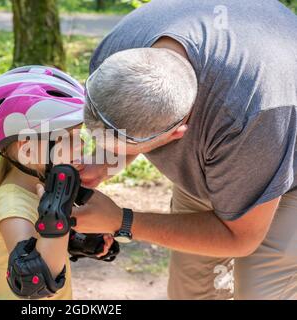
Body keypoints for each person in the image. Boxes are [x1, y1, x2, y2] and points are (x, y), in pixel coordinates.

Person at [73, 0, 297, 299]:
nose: (107, 151)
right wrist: (104, 162)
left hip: (284, 159)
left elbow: (239, 238)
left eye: (121, 148)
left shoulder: (251, 115)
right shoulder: (116, 53)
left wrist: (122, 221)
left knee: (258, 289)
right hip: (223, 151)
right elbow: (126, 111)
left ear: (178, 134)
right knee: (190, 287)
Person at [0, 65, 113, 300]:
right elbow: (34, 281)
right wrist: (55, 216)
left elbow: (38, 243)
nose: (80, 146)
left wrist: (77, 240)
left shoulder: (37, 183)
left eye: (79, 135)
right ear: (28, 150)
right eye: (68, 138)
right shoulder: (12, 209)